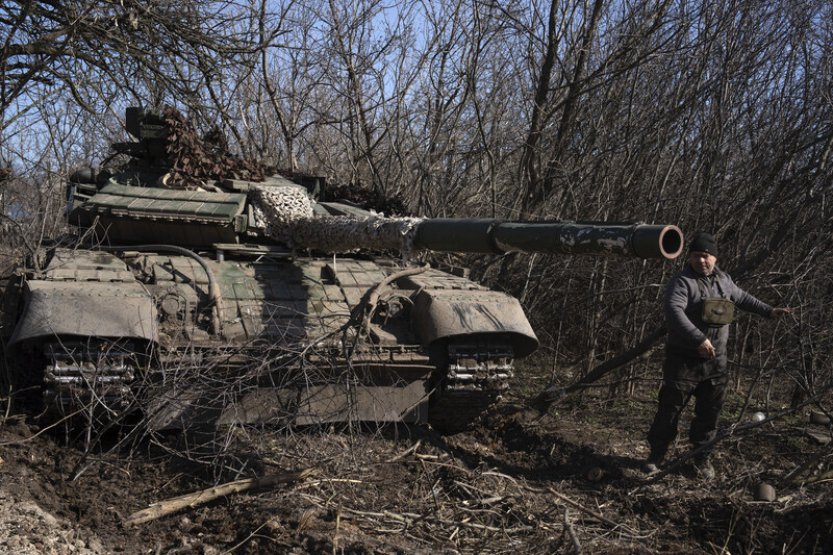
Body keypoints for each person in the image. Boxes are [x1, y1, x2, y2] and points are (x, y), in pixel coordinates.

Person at [644, 232, 790, 478]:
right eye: (697, 256)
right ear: (690, 257)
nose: (701, 261)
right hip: (683, 360)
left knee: (710, 412)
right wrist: (698, 338)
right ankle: (656, 456)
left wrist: (769, 311)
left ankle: (701, 459)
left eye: (706, 256)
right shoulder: (682, 282)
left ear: (715, 257)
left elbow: (743, 298)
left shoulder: (725, 281)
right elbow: (673, 311)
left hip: (716, 362)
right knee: (669, 410)